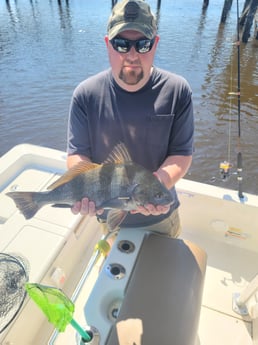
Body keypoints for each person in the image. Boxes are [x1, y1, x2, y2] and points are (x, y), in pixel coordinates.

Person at [66, 0, 194, 238]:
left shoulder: (178, 90)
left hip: (161, 218)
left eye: (143, 45)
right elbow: (77, 153)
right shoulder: (85, 94)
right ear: (108, 44)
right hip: (106, 214)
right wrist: (83, 190)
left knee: (165, 274)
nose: (132, 55)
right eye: (122, 44)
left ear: (155, 44)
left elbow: (182, 153)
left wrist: (156, 186)